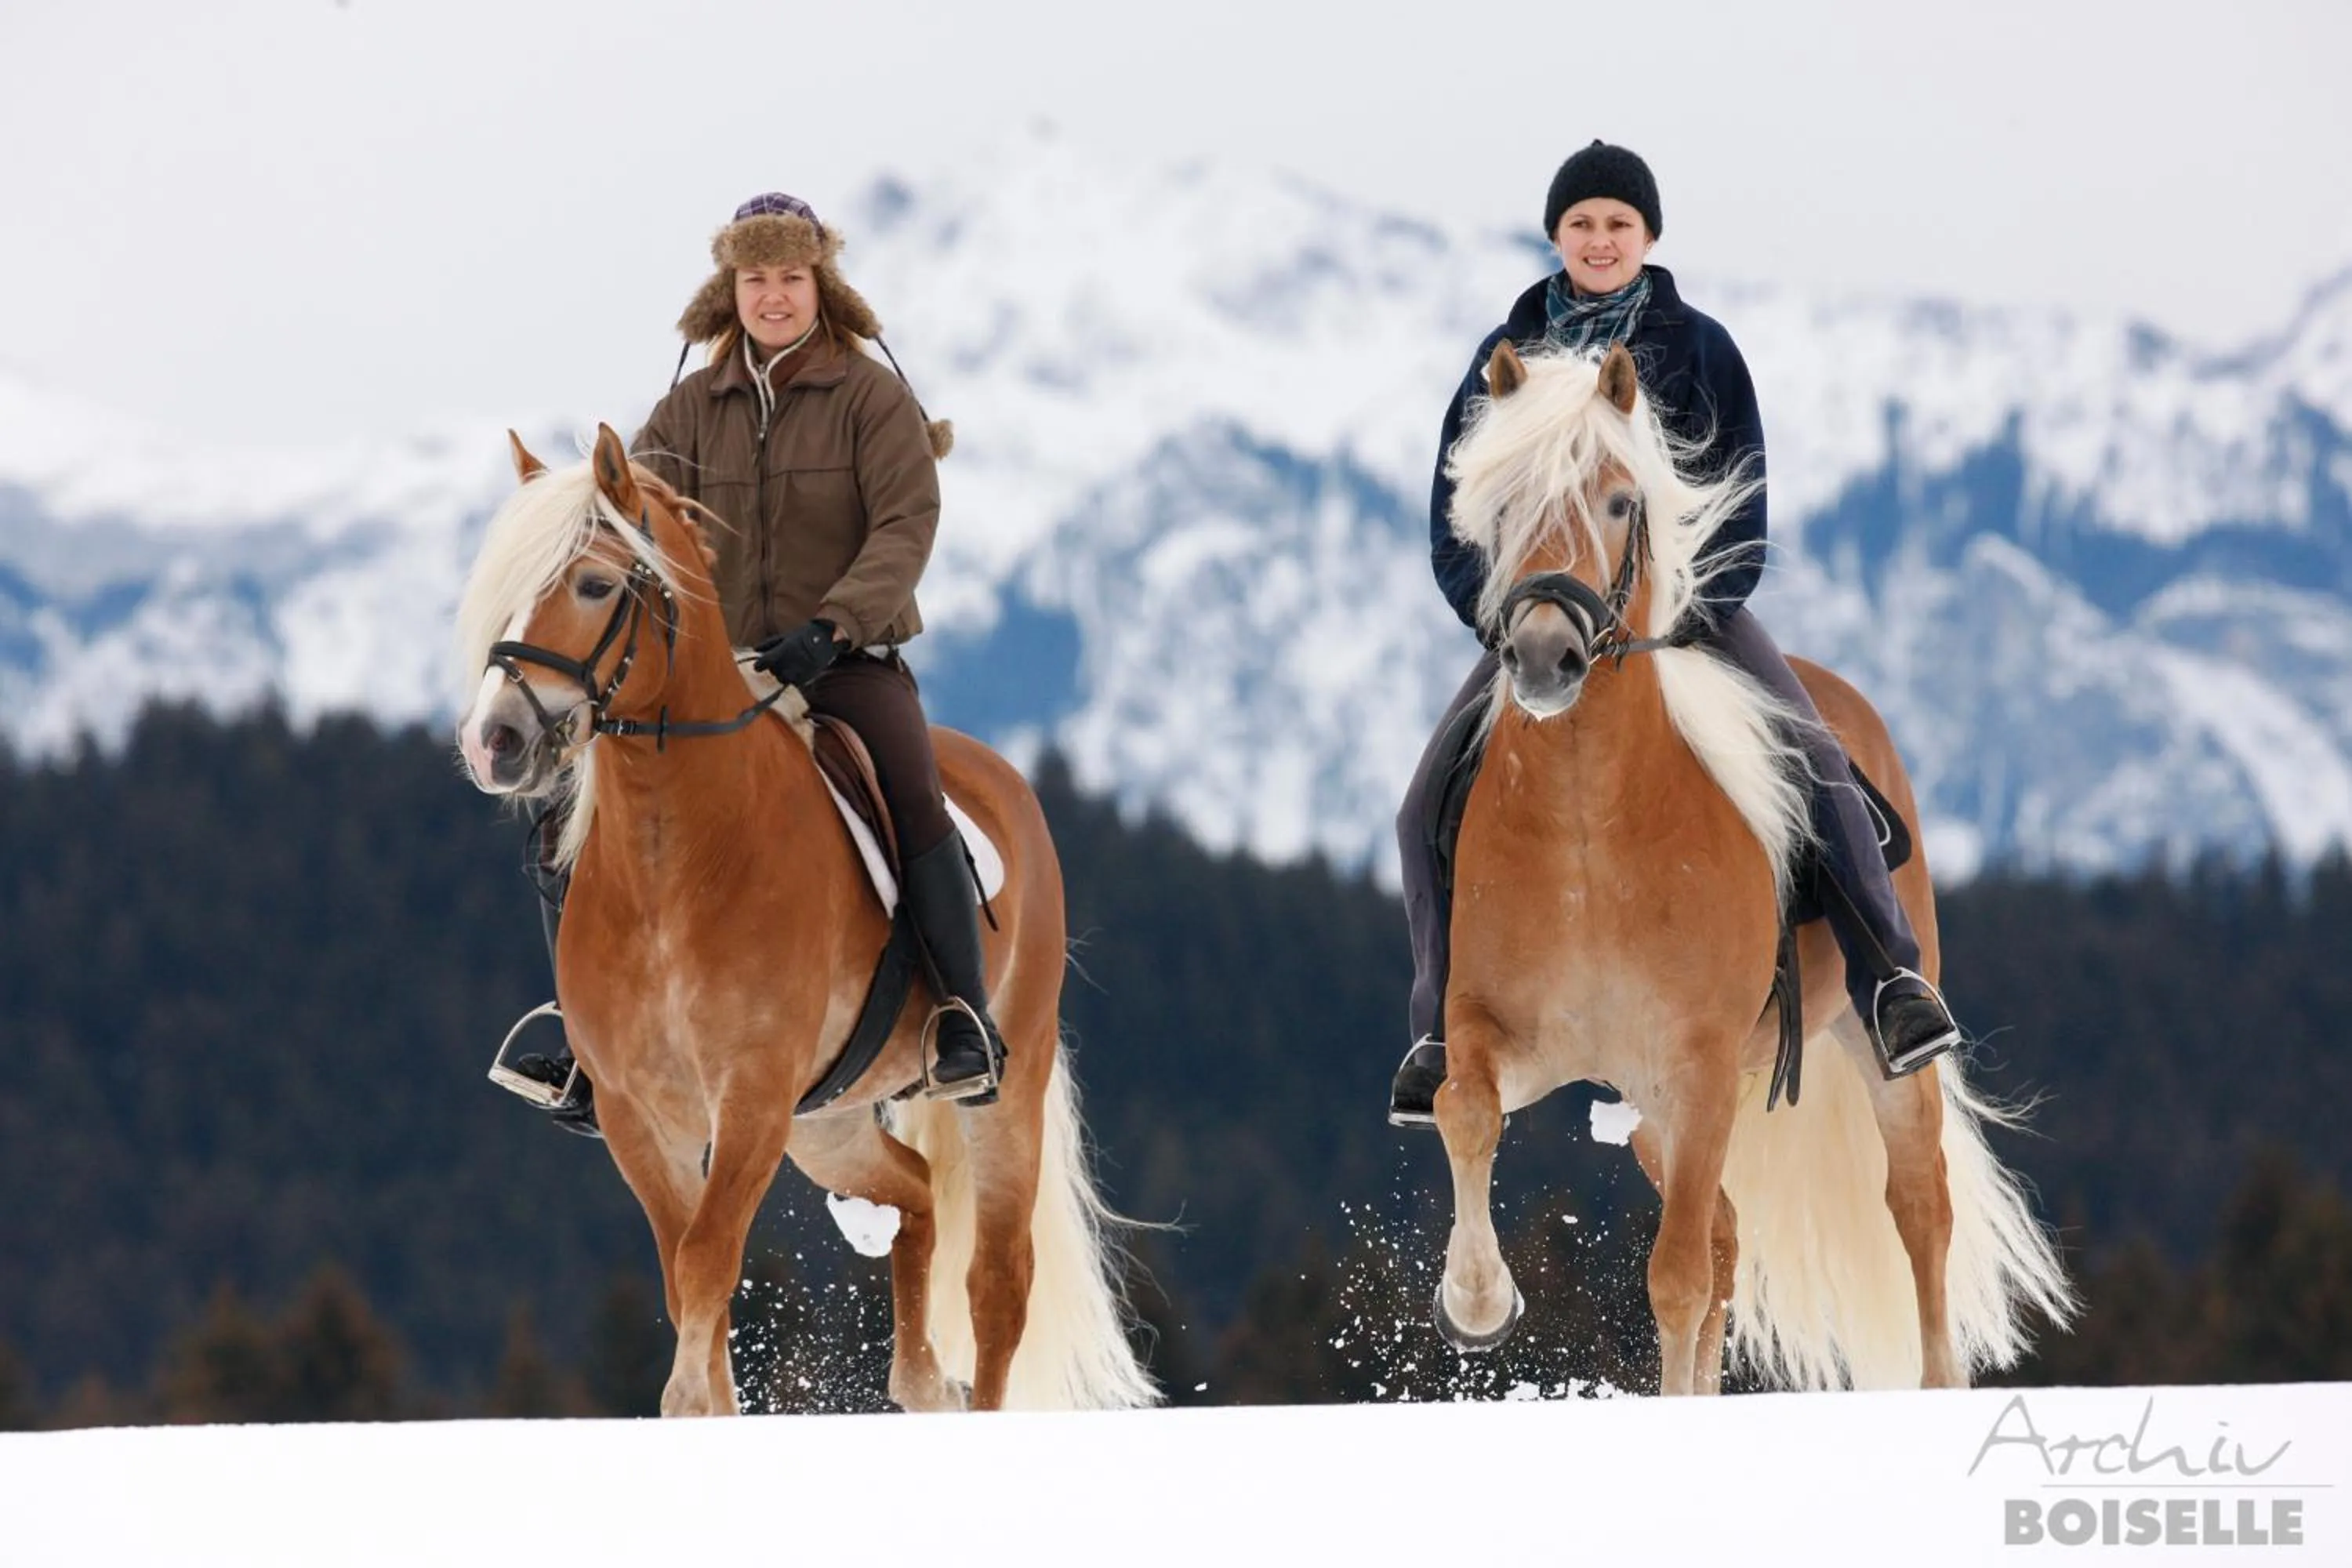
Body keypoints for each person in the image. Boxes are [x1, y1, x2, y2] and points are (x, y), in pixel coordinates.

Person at [1387, 142, 1962, 1128]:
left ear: (1648, 236)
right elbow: (1457, 519)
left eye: (1618, 223)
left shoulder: (1700, 350)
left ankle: (1890, 980)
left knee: (1820, 759)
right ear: (1555, 235)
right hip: (1545, 625)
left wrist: (1671, 619)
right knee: (1421, 808)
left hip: (1689, 619)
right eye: (1581, 223)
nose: (1599, 240)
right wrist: (1504, 617)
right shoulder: (1506, 357)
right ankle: (1437, 1029)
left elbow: (1744, 509)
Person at [498, 191, 1004, 1134]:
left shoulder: (872, 401)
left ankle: (960, 1017)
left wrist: (833, 625)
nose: (773, 295)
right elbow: (629, 524)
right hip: (714, 671)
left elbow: (906, 525)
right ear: (728, 291)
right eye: (756, 278)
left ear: (822, 285)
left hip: (846, 660)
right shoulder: (687, 410)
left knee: (910, 791)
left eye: (791, 277)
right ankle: (587, 1042)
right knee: (576, 813)